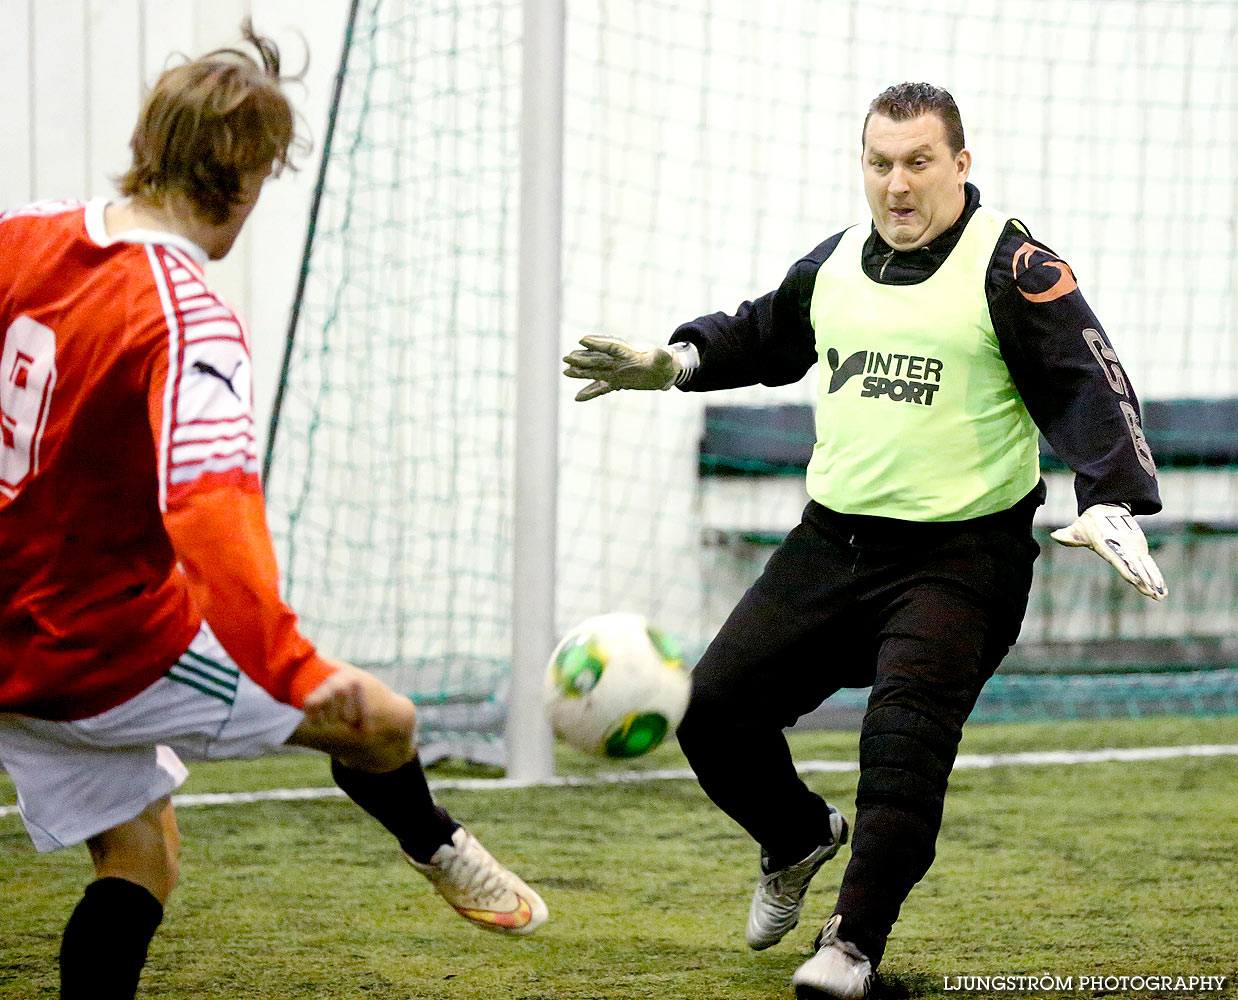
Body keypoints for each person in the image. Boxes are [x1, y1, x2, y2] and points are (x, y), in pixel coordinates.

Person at [563, 81, 1165, 999]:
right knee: (712, 708)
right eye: (880, 164)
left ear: (960, 166)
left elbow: (1087, 378)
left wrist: (1113, 495)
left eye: (920, 162)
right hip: (833, 547)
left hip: (964, 560)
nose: (898, 186)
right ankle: (799, 836)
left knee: (901, 744)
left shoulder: (1015, 265)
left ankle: (849, 947)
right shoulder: (839, 261)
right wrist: (670, 362)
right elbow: (767, 333)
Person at [0, 23, 546, 1000]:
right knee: (383, 719)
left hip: (12, 646)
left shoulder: (24, 233)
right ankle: (439, 846)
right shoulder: (183, 314)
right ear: (245, 181)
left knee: (141, 856)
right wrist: (291, 669)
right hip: (101, 655)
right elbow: (211, 519)